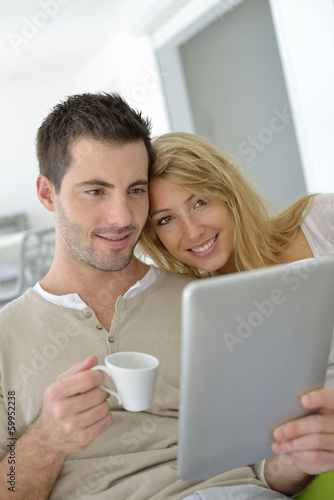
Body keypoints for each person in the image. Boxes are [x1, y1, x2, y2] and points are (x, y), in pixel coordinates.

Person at [0, 95, 329, 500]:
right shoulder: (6, 338)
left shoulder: (209, 302)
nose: (122, 217)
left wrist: (297, 460)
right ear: (48, 194)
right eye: (96, 191)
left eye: (135, 190)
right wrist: (46, 441)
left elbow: (263, 468)